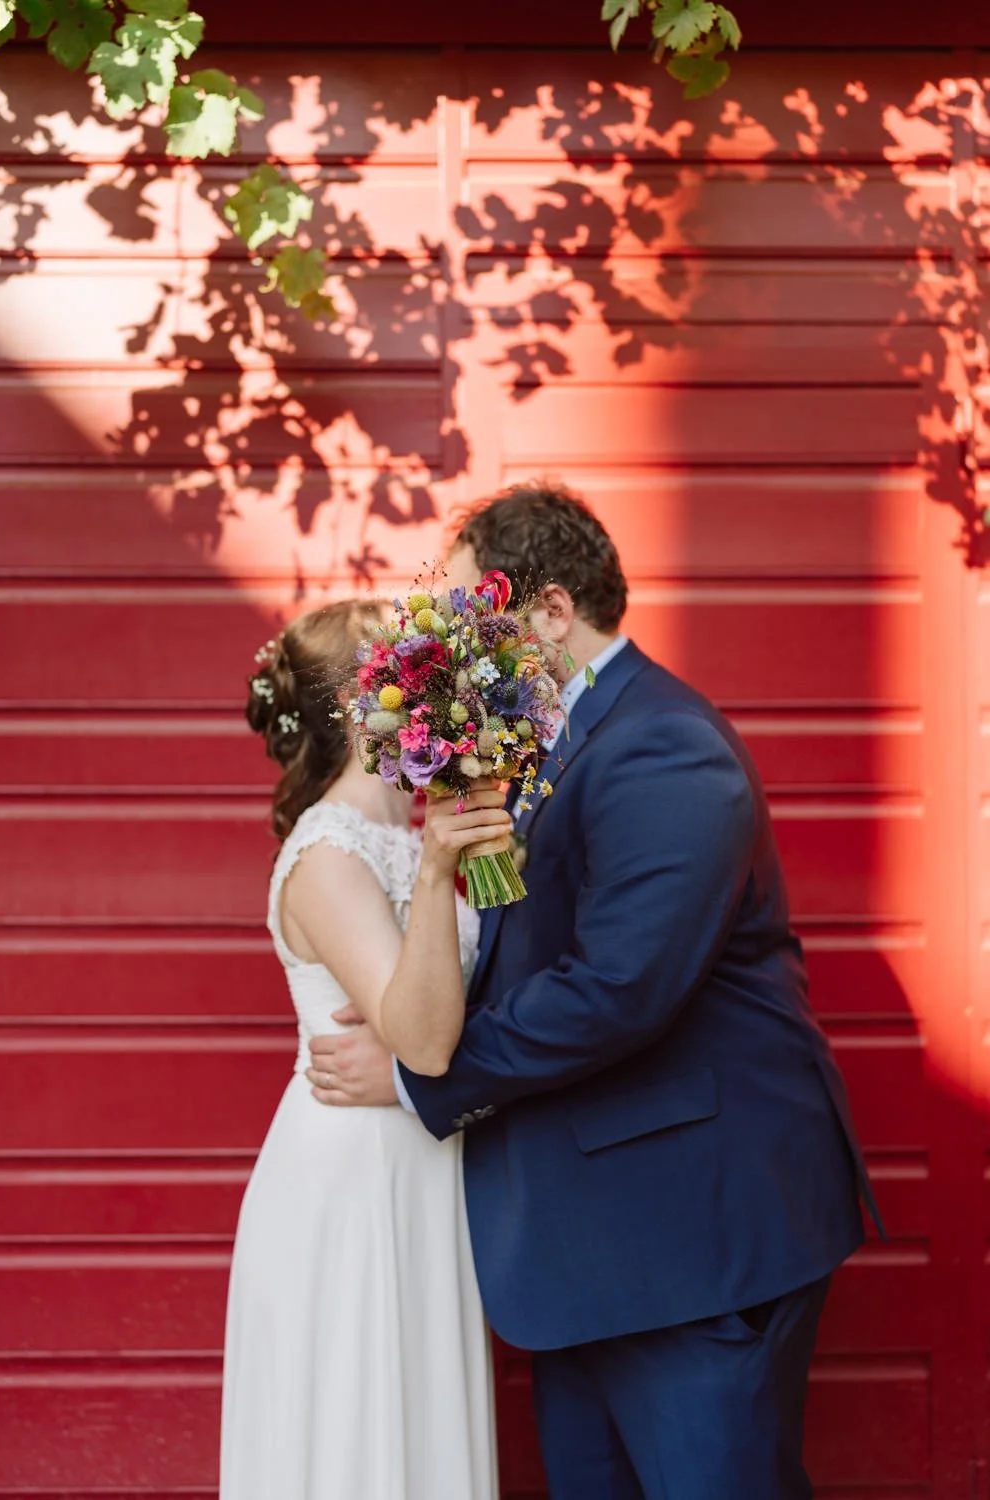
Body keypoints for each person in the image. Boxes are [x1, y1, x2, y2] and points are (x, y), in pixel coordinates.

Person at [307, 484, 881, 1500]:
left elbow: (618, 988)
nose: (454, 640)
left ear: (552, 614)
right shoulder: (537, 745)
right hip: (590, 1247)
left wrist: (415, 1079)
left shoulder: (663, 747)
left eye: (473, 614)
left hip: (692, 1238)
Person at [219, 599, 505, 1500]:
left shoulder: (418, 829)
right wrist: (435, 873)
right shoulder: (329, 855)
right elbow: (420, 1036)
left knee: (420, 1423)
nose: (441, 687)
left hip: (421, 1159)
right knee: (359, 1433)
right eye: (413, 674)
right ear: (363, 708)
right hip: (352, 1181)